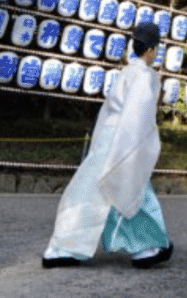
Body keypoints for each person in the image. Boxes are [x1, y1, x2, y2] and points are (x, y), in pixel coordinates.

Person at [41, 21, 173, 269]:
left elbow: (108, 112)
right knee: (129, 189)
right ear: (151, 50)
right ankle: (143, 247)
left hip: (108, 137)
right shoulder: (145, 76)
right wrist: (136, 147)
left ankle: (63, 248)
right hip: (124, 138)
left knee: (91, 191)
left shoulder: (126, 72)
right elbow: (138, 116)